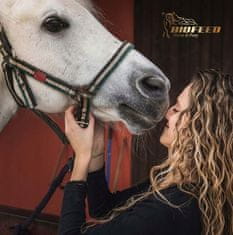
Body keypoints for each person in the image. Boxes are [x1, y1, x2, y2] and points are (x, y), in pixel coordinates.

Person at [58, 69, 233, 235]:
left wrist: (82, 157)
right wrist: (96, 150)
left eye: (177, 109)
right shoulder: (180, 181)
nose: (168, 113)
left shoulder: (169, 208)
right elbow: (103, 208)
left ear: (198, 128)